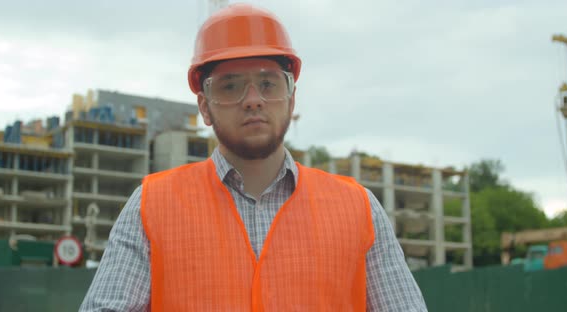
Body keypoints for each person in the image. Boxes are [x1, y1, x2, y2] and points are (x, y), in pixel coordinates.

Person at [80, 3, 427, 311]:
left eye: (268, 83)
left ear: (291, 99)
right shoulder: (150, 207)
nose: (253, 99)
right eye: (230, 85)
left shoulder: (359, 210)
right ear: (205, 106)